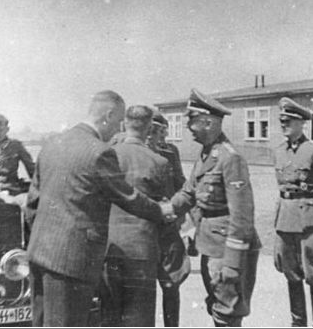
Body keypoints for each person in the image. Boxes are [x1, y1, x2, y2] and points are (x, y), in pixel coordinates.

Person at [25, 90, 175, 327]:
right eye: (117, 124)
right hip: (71, 263)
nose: (117, 131)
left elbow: (32, 204)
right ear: (108, 115)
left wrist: (43, 241)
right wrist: (160, 211)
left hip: (39, 255)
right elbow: (127, 196)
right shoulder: (99, 152)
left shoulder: (52, 144)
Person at [170, 88, 261, 327]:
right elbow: (189, 192)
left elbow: (242, 217)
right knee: (217, 305)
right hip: (210, 245)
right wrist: (163, 209)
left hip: (226, 250)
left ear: (208, 122)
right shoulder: (207, 154)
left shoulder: (230, 158)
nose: (188, 127)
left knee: (227, 312)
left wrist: (232, 262)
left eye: (191, 121)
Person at [100, 105, 170, 327]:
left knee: (110, 316)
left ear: (124, 125)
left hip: (109, 248)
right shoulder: (159, 162)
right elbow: (165, 208)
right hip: (142, 251)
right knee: (139, 319)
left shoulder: (107, 156)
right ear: (149, 128)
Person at [272, 97, 313, 327]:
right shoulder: (278, 151)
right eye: (282, 121)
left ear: (301, 123)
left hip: (310, 220)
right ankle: (297, 323)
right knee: (291, 274)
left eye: (289, 121)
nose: (284, 125)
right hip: (285, 219)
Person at [148, 111, 190, 327]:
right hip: (145, 226)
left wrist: (181, 217)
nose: (160, 136)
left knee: (171, 284)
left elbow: (182, 184)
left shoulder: (171, 151)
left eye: (163, 131)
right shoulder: (138, 151)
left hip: (168, 226)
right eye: (156, 130)